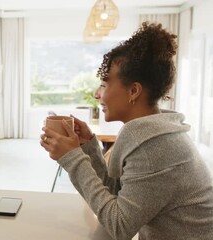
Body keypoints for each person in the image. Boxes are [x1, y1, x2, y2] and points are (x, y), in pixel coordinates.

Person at [40, 22, 213, 239]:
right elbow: (118, 193)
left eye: (104, 85)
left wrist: (73, 159)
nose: (96, 94)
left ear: (133, 91)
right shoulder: (151, 133)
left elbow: (120, 227)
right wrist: (89, 147)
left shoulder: (156, 147)